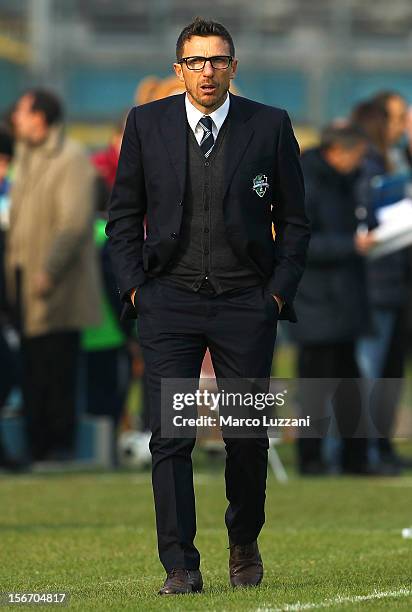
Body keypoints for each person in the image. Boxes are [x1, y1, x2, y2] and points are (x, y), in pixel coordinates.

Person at [106, 17, 310, 595]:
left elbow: (295, 223)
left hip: (246, 300)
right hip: (167, 300)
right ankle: (180, 565)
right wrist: (135, 288)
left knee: (247, 436)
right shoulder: (146, 124)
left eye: (218, 60)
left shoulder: (269, 125)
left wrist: (276, 294)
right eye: (196, 61)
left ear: (233, 68)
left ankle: (243, 542)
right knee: (171, 438)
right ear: (179, 70)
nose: (207, 71)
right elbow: (123, 215)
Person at [5, 89, 101, 463]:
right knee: (31, 370)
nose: (16, 119)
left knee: (56, 370)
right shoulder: (26, 157)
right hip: (23, 285)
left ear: (41, 118)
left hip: (56, 287)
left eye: (22, 112)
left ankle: (57, 447)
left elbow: (74, 225)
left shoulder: (70, 159)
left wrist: (49, 270)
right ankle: (37, 445)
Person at [289, 124, 376, 475]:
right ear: (337, 152)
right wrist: (349, 246)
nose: (359, 163)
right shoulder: (308, 183)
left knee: (349, 387)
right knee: (315, 387)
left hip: (342, 301)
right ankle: (310, 459)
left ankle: (355, 459)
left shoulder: (344, 182)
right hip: (316, 302)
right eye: (356, 156)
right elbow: (301, 243)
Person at [353, 98, 411, 473]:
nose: (403, 123)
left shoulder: (395, 159)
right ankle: (365, 453)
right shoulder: (367, 163)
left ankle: (381, 448)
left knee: (389, 373)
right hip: (375, 280)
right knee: (368, 372)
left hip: (395, 280)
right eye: (399, 117)